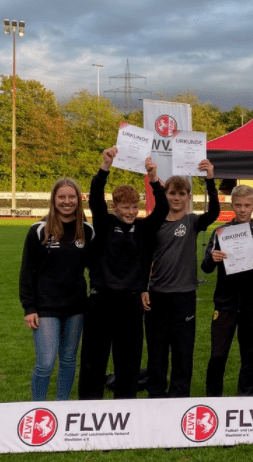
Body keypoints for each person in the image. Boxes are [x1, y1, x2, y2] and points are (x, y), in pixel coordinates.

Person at [78, 147, 168, 400]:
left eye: (134, 207)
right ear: (115, 206)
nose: (130, 212)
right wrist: (105, 166)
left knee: (128, 361)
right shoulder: (105, 225)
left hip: (130, 303)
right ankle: (88, 407)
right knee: (94, 359)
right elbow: (95, 198)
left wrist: (153, 177)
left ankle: (125, 408)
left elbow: (162, 208)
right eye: (125, 207)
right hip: (101, 301)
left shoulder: (144, 228)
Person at [143, 160, 219, 398]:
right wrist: (144, 288)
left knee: (182, 350)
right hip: (156, 296)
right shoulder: (153, 224)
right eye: (172, 193)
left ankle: (179, 395)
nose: (176, 198)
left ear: (188, 197)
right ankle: (156, 393)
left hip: (184, 296)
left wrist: (209, 179)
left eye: (182, 194)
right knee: (157, 350)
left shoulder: (193, 222)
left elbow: (214, 212)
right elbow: (143, 260)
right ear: (165, 195)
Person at [19, 178, 94, 401]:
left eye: (71, 197)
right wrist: (29, 307)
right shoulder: (38, 230)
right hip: (45, 307)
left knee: (69, 359)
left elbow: (98, 267)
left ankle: (62, 406)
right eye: (62, 197)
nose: (67, 201)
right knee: (46, 362)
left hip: (76, 307)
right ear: (54, 199)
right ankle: (38, 407)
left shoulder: (87, 231)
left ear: (79, 200)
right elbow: (27, 272)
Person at [201, 185, 253, 397]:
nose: (242, 210)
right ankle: (213, 399)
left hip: (252, 304)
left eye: (247, 205)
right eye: (238, 205)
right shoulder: (220, 233)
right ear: (231, 205)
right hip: (225, 303)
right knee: (217, 355)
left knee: (249, 356)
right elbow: (205, 267)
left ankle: (245, 399)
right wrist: (213, 258)